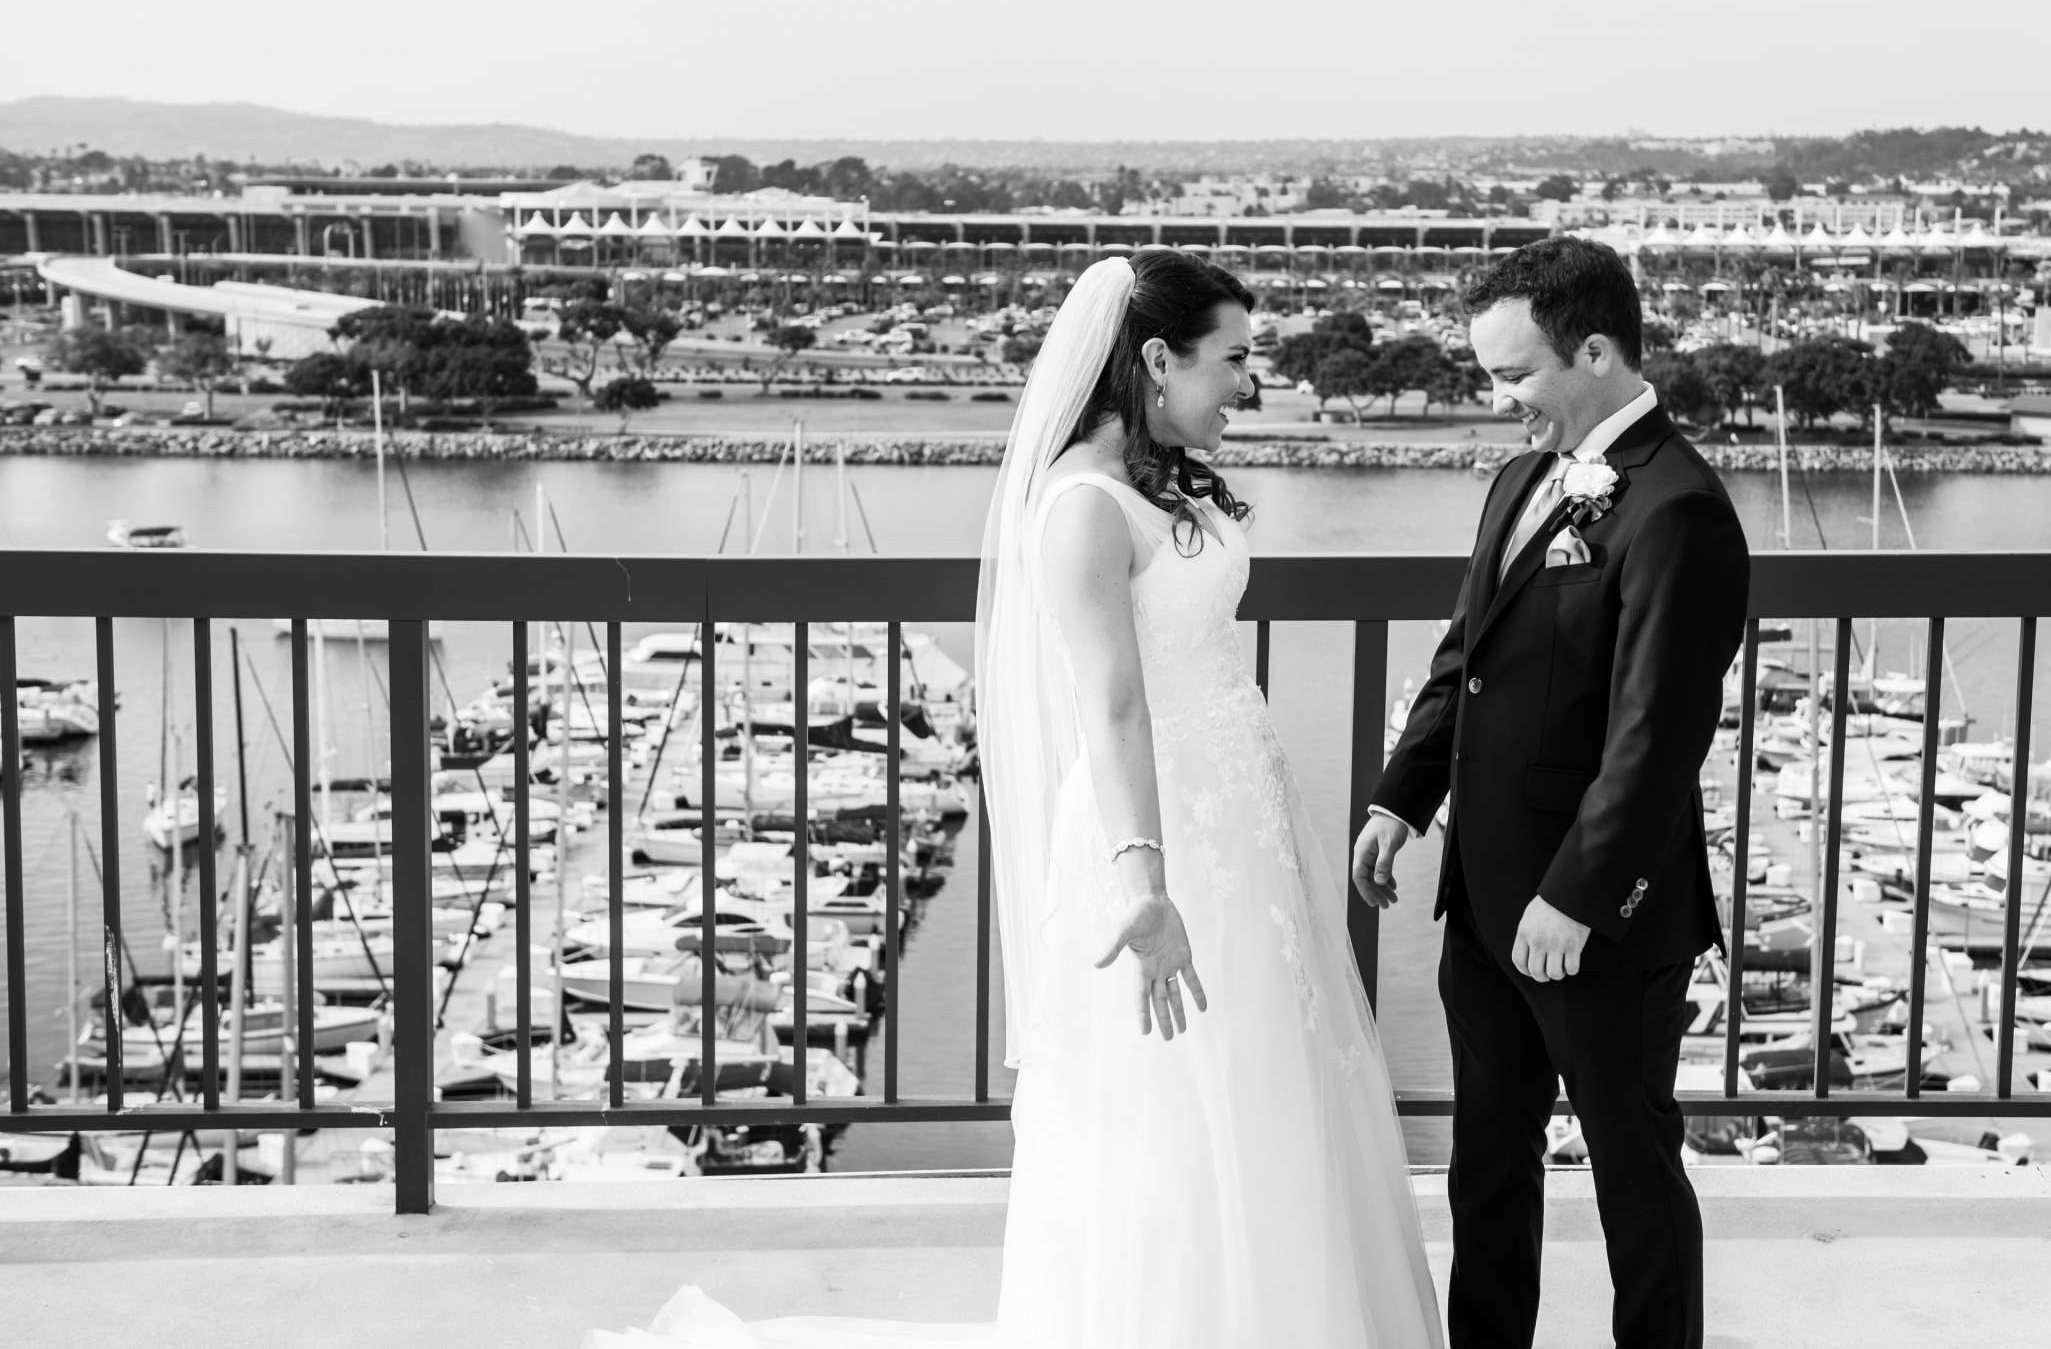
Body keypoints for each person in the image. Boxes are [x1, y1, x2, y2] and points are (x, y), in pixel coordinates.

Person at [588, 251, 1442, 1349]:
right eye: (1231, 359)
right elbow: (1114, 707)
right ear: (1152, 359)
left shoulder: (1158, 478)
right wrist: (1147, 880)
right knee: (1178, 1109)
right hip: (1166, 840)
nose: (1248, 382)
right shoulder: (1085, 510)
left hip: (1244, 829)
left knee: (1269, 1093)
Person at [1354, 235, 1750, 1349]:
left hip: (1601, 918)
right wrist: (1401, 799)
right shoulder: (1520, 481)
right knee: (1487, 1161)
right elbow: (1465, 658)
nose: (1500, 403)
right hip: (1481, 901)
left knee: (1633, 1169)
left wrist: (1575, 896)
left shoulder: (1679, 509)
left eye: (1515, 376)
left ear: (1594, 350)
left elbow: (1658, 738)